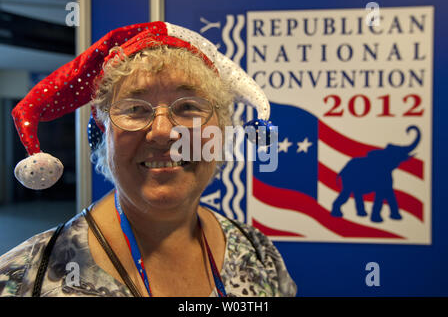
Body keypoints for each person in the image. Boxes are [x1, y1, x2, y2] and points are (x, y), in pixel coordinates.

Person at [0, 22, 297, 297]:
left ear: (219, 131)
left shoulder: (258, 254)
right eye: (135, 109)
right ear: (105, 134)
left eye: (189, 106)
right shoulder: (27, 277)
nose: (162, 132)